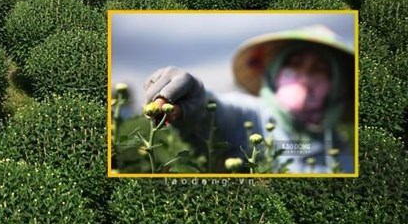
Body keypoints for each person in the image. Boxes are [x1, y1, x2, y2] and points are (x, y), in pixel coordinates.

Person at [143, 25, 354, 173]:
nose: (305, 76)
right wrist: (193, 96)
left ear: (336, 85)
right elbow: (215, 113)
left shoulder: (340, 148)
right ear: (275, 71)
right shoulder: (251, 116)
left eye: (320, 69)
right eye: (295, 63)